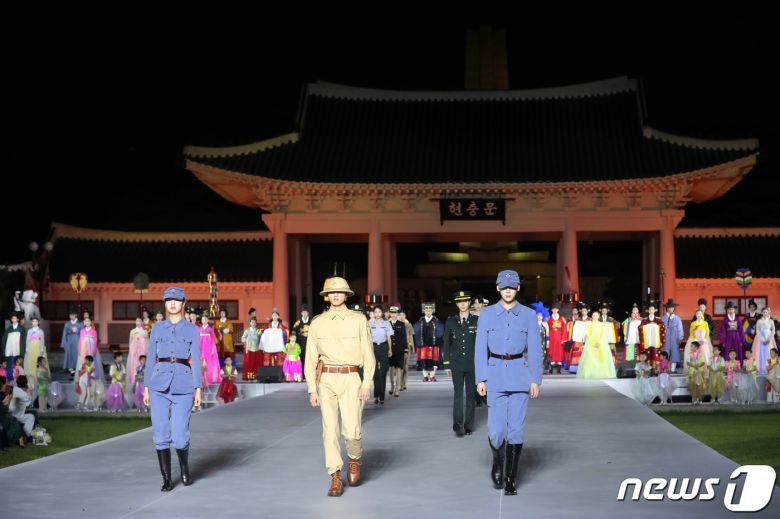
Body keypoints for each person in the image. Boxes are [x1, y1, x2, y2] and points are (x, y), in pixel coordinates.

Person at [304, 277, 374, 496]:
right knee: (330, 430)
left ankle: (354, 460)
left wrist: (366, 382)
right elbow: (310, 359)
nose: (335, 295)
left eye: (339, 292)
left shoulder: (358, 320)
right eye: (331, 292)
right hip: (326, 380)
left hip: (351, 377)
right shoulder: (317, 323)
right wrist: (312, 389)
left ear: (346, 295)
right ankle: (335, 475)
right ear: (326, 296)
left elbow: (368, 354)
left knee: (352, 428)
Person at [476, 270, 542, 496]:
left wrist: (536, 379)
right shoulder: (486, 315)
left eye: (511, 287)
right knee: (496, 431)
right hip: (494, 375)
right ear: (497, 288)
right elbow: (479, 349)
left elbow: (534, 349)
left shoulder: (528, 315)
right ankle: (497, 461)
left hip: (520, 376)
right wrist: (481, 378)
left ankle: (511, 478)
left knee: (516, 429)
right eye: (504, 287)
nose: (507, 290)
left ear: (518, 289)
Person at [143, 287, 202, 491]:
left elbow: (196, 360)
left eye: (176, 300)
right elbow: (151, 357)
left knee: (179, 434)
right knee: (160, 432)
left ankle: (184, 467)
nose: (172, 303)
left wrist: (198, 388)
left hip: (184, 385)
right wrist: (146, 387)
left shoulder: (193, 330)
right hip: (158, 384)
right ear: (165, 304)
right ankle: (166, 478)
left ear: (183, 303)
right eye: (168, 300)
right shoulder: (157, 328)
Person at [443, 290, 478, 437]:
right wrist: (446, 364)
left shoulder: (476, 321)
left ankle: (468, 425)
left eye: (465, 301)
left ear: (469, 303)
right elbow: (446, 343)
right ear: (457, 304)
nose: (463, 304)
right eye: (460, 302)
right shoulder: (451, 321)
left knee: (471, 395)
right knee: (458, 393)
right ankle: (457, 423)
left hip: (472, 364)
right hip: (456, 364)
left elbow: (482, 344)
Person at [577, 310, 617, 379]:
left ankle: (602, 373)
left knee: (602, 357)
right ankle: (590, 373)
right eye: (594, 315)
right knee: (590, 357)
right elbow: (588, 334)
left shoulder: (601, 324)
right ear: (592, 316)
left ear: (598, 316)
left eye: (596, 315)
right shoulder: (590, 324)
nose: (595, 317)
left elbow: (602, 333)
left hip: (600, 342)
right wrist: (593, 342)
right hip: (591, 342)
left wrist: (598, 342)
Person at [368, 306, 393, 405]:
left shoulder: (386, 324)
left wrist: (390, 349)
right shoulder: (369, 324)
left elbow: (389, 337)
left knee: (383, 372)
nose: (377, 314)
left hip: (383, 347)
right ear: (373, 314)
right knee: (375, 373)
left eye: (379, 312)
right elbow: (369, 338)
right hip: (373, 348)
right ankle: (376, 395)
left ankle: (382, 396)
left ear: (382, 313)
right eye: (376, 312)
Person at [413, 303, 444, 382]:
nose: (428, 312)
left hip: (433, 345)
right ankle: (425, 376)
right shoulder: (420, 321)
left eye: (430, 310)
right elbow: (415, 330)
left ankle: (432, 376)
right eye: (426, 310)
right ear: (424, 311)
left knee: (434, 360)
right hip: (423, 345)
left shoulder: (436, 321)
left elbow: (441, 330)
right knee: (424, 360)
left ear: (432, 311)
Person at [639, 301, 665, 372]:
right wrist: (646, 326)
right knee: (647, 353)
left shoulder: (658, 320)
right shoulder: (644, 320)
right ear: (648, 310)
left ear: (655, 310)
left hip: (655, 340)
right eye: (650, 309)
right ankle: (647, 369)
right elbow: (640, 327)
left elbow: (663, 327)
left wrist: (657, 326)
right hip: (647, 341)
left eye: (652, 309)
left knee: (655, 353)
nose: (651, 311)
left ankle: (655, 369)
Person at [387, 307, 407, 397]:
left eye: (395, 313)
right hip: (390, 350)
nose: (393, 314)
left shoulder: (401, 324)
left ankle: (397, 389)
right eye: (392, 313)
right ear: (390, 314)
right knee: (391, 369)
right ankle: (392, 386)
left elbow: (404, 337)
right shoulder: (387, 323)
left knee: (398, 369)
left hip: (399, 349)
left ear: (397, 314)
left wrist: (405, 349)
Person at [9, 375, 34, 443]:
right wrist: (29, 391)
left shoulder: (15, 389)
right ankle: (25, 435)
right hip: (14, 415)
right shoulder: (22, 393)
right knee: (31, 417)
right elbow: (29, 403)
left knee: (30, 417)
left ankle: (24, 435)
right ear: (25, 383)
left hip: (14, 413)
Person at [24, 317, 46, 394]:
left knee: (37, 362)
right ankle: (31, 381)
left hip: (37, 347)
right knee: (31, 362)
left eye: (36, 321)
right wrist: (27, 347)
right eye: (33, 321)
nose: (34, 322)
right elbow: (27, 339)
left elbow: (42, 340)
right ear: (32, 323)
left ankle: (38, 380)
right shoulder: (30, 331)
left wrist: (42, 348)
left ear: (38, 322)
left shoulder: (40, 331)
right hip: (31, 347)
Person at [75, 317, 102, 382]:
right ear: (84, 322)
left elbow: (95, 341)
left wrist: (95, 350)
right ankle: (83, 376)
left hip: (91, 348)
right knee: (83, 361)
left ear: (91, 323)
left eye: (88, 321)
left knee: (91, 361)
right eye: (86, 321)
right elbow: (80, 340)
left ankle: (91, 376)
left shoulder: (93, 331)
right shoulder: (82, 331)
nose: (87, 322)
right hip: (83, 349)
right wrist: (79, 349)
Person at [2, 312, 26, 385]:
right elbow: (4, 340)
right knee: (10, 366)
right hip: (10, 351)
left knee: (18, 366)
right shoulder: (9, 329)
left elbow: (24, 340)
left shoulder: (21, 329)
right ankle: (10, 383)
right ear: (11, 320)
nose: (14, 319)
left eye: (15, 318)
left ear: (18, 319)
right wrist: (4, 349)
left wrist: (24, 349)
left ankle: (20, 383)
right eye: (12, 318)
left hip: (18, 351)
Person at [662, 299, 684, 372]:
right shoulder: (663, 318)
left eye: (672, 307)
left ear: (674, 308)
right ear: (667, 308)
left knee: (675, 351)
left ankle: (673, 369)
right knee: (666, 350)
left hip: (675, 336)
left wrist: (680, 337)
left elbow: (680, 328)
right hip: (666, 336)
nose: (670, 309)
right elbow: (661, 329)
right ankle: (665, 368)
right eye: (669, 307)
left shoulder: (677, 318)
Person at [198, 315, 220, 385]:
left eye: (205, 319)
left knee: (209, 362)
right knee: (201, 361)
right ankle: (202, 378)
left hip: (208, 346)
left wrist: (212, 349)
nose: (203, 321)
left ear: (207, 321)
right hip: (201, 346)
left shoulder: (210, 329)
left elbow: (213, 339)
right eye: (202, 319)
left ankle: (208, 377)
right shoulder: (199, 328)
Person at [567, 303, 589, 374]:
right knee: (577, 353)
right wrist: (575, 338)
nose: (584, 312)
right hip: (578, 339)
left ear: (587, 312)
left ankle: (586, 368)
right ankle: (575, 369)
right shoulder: (578, 320)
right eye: (582, 311)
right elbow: (575, 330)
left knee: (586, 353)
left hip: (587, 339)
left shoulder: (590, 320)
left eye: (585, 311)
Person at [546, 303, 567, 374]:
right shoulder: (549, 319)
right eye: (553, 309)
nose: (555, 310)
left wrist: (563, 339)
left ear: (558, 310)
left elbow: (564, 329)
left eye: (556, 309)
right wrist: (547, 339)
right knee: (551, 351)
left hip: (559, 338)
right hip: (551, 338)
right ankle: (551, 368)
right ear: (552, 310)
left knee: (559, 352)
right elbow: (547, 329)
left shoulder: (562, 319)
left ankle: (558, 369)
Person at [754, 307, 776, 376]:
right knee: (761, 353)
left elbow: (773, 330)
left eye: (766, 312)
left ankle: (770, 368)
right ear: (762, 313)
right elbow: (757, 330)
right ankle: (762, 369)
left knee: (769, 353)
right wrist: (763, 339)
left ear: (768, 313)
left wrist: (769, 339)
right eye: (763, 312)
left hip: (769, 339)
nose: (765, 313)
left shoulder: (771, 321)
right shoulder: (759, 321)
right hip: (761, 339)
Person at [127, 317, 148, 387]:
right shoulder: (132, 331)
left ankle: (143, 378)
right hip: (134, 351)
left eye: (139, 321)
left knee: (142, 363)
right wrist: (131, 350)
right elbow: (130, 342)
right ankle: (134, 379)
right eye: (137, 321)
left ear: (142, 322)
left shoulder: (144, 332)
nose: (138, 322)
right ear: (135, 322)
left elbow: (147, 342)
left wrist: (146, 351)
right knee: (134, 364)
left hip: (141, 350)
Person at [61, 309, 82, 375]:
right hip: (69, 340)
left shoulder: (80, 324)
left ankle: (78, 368)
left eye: (73, 315)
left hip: (77, 340)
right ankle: (71, 369)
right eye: (70, 315)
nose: (71, 316)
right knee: (70, 354)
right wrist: (64, 343)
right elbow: (64, 334)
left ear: (76, 315)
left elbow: (82, 333)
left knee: (77, 354)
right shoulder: (67, 324)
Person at [292, 305, 312, 375]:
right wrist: (294, 339)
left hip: (310, 341)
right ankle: (301, 374)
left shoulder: (311, 321)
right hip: (301, 341)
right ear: (301, 313)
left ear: (308, 313)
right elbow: (294, 331)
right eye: (303, 312)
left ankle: (309, 374)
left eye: (305, 312)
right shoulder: (298, 322)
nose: (304, 314)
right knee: (301, 357)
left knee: (309, 357)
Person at [397, 310, 415, 391]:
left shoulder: (408, 325)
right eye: (400, 315)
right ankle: (399, 384)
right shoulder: (394, 325)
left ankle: (404, 383)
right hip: (398, 348)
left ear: (405, 316)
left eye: (403, 315)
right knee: (399, 367)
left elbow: (411, 337)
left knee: (405, 367)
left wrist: (413, 348)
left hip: (407, 347)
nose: (401, 316)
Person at [242, 317, 262, 381]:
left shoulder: (258, 331)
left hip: (256, 349)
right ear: (250, 323)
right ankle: (250, 377)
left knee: (256, 364)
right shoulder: (247, 331)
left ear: (256, 323)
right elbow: (242, 338)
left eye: (254, 322)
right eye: (252, 322)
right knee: (249, 364)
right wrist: (247, 340)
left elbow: (262, 339)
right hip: (249, 350)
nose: (253, 323)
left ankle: (256, 377)